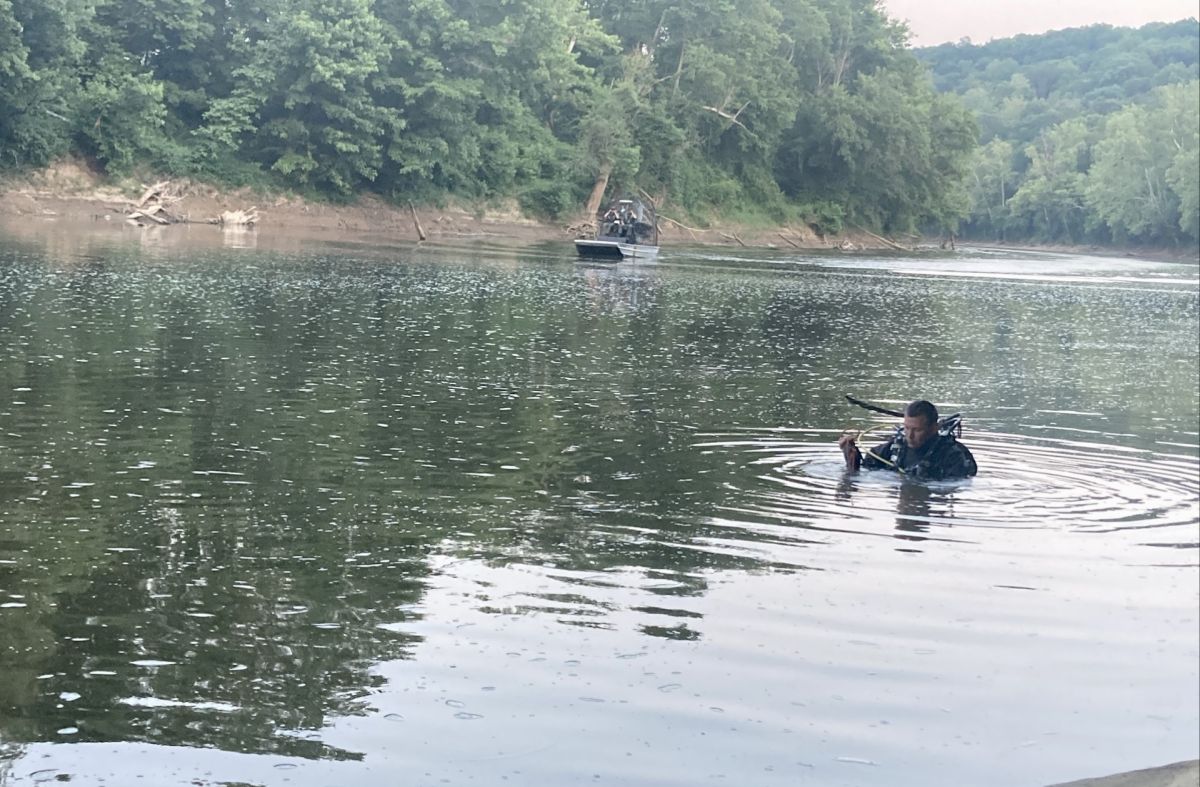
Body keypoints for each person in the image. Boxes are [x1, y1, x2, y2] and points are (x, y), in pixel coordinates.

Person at [838, 399, 977, 480]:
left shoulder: (953, 455)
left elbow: (956, 484)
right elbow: (867, 469)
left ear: (934, 428)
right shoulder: (895, 447)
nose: (909, 436)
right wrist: (851, 458)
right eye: (906, 428)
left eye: (917, 430)